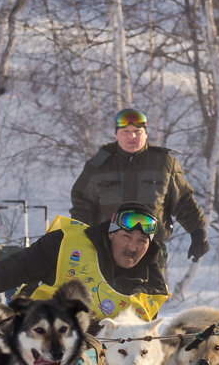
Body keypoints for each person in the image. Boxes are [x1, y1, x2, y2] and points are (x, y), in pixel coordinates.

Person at [0, 200, 169, 321]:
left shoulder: (152, 285)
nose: (133, 247)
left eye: (142, 241)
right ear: (111, 234)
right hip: (43, 335)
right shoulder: (68, 244)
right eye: (127, 237)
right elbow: (19, 266)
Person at [70, 108, 209, 264]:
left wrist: (197, 233)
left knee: (149, 289)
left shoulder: (164, 164)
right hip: (106, 250)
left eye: (137, 131)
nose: (132, 136)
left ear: (146, 134)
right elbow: (82, 205)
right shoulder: (98, 166)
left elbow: (183, 202)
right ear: (116, 135)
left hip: (151, 250)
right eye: (126, 132)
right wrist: (82, 237)